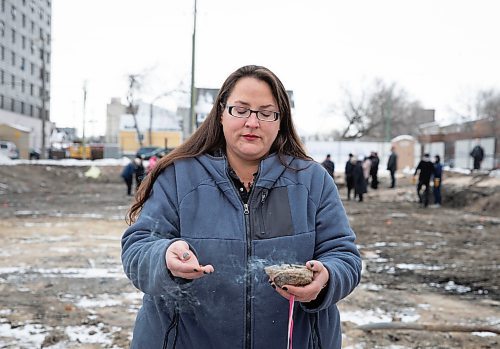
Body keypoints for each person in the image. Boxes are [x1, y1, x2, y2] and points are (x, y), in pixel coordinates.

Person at [121, 65, 362, 349]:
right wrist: (163, 258)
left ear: (280, 120)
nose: (252, 122)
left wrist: (326, 278)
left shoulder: (312, 181)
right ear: (221, 112)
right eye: (241, 109)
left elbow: (344, 255)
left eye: (266, 112)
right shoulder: (177, 177)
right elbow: (138, 247)